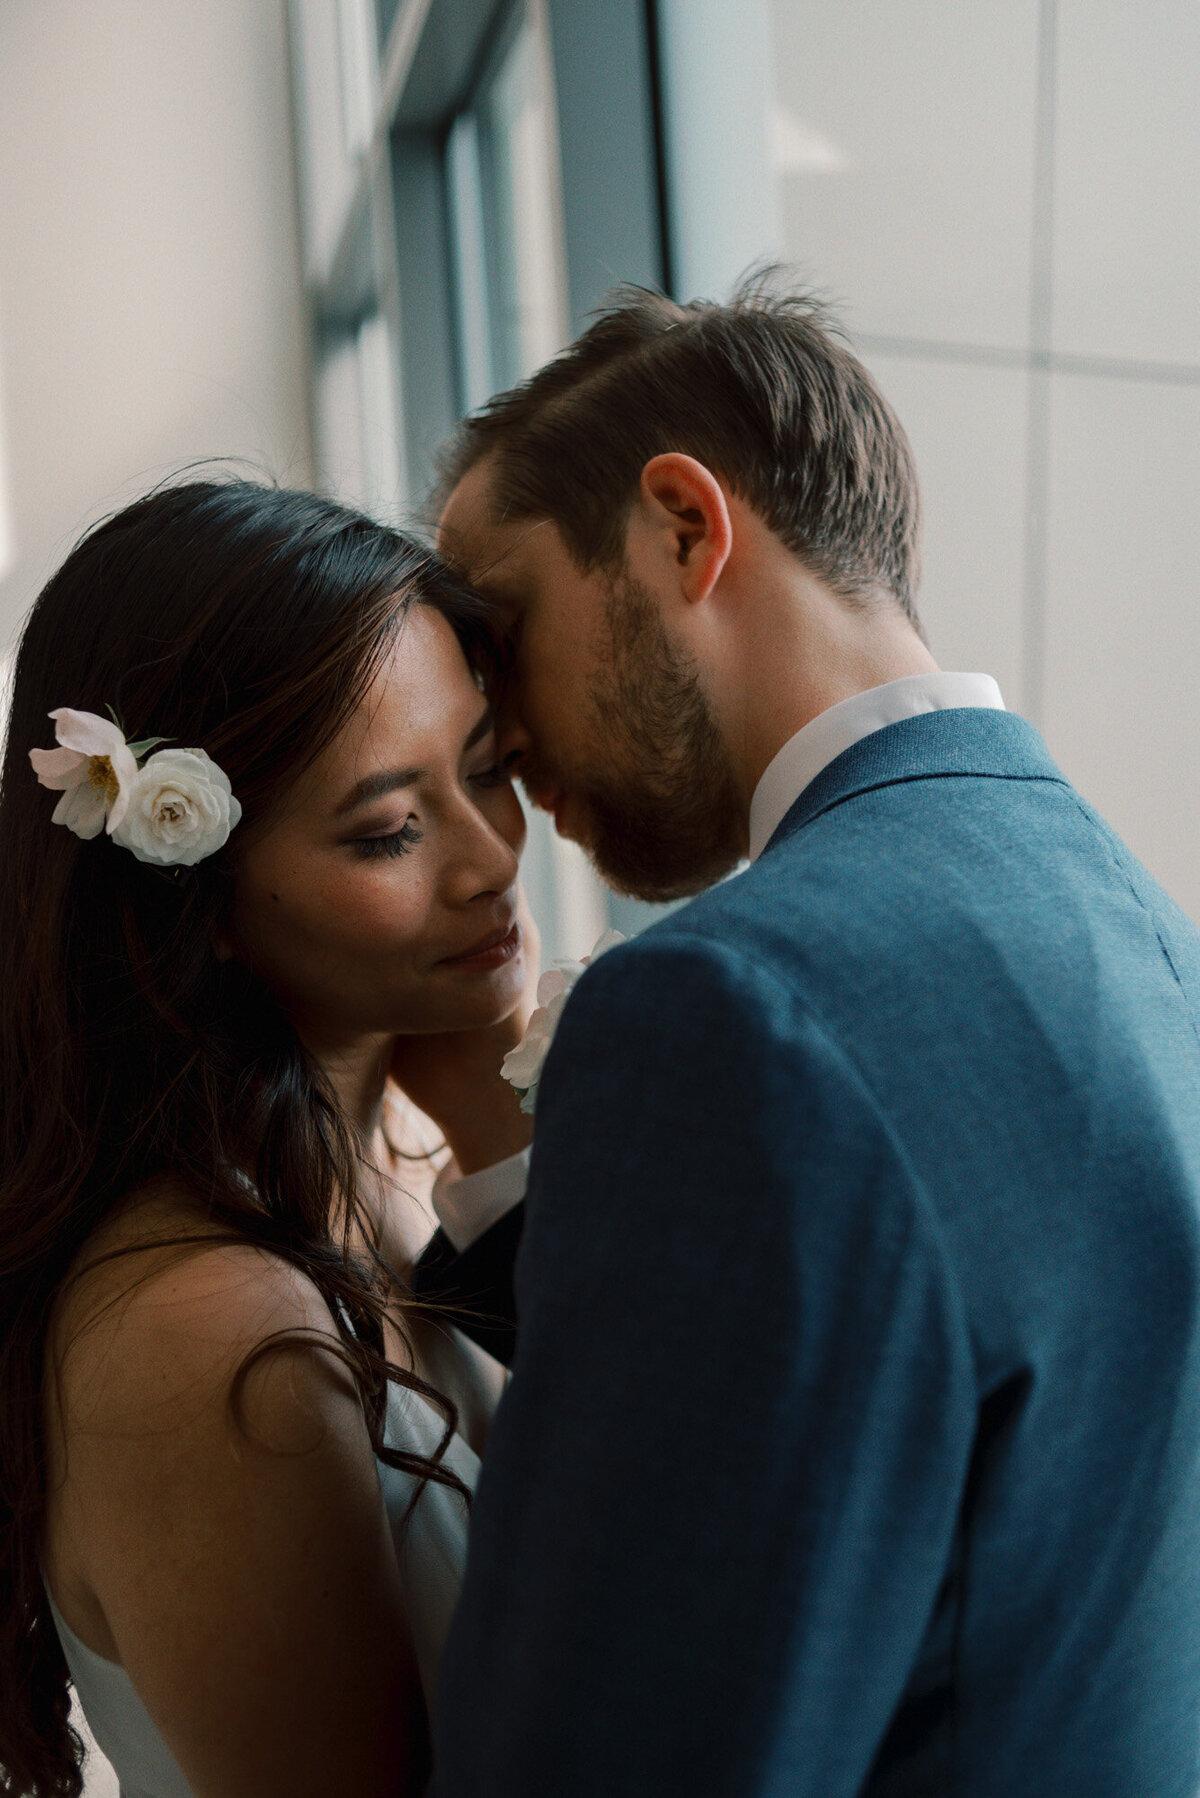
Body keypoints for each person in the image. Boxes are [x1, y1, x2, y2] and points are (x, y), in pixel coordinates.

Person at [416, 280, 1200, 1796]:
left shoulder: (733, 1013)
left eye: (500, 630)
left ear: (685, 527)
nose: (496, 735)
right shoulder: (1153, 936)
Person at [0, 479, 537, 1798]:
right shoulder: (212, 1337)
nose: (490, 861)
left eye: (488, 768)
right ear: (204, 902)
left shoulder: (397, 1159)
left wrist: (491, 1127)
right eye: (391, 829)